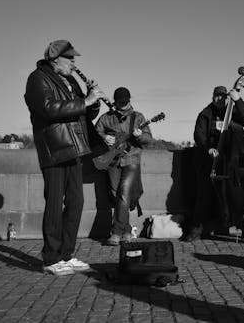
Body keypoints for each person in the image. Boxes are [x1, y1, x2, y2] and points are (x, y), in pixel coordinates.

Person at [24, 39, 105, 275]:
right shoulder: (37, 79)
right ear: (54, 58)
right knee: (54, 203)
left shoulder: (69, 80)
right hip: (55, 148)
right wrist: (85, 101)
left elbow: (85, 112)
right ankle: (51, 258)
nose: (73, 62)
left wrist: (92, 99)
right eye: (69, 57)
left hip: (74, 147)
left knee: (76, 202)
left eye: (74, 58)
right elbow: (48, 108)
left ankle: (67, 255)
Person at [183, 85, 244, 242]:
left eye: (223, 96)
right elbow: (198, 135)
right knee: (204, 194)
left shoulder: (232, 112)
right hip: (211, 159)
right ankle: (196, 229)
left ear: (227, 98)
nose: (220, 99)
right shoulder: (205, 114)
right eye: (217, 96)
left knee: (238, 195)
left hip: (231, 160)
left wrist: (238, 100)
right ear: (213, 97)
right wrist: (208, 148)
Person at [95, 87, 152, 246]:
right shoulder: (106, 118)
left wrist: (141, 137)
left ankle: (116, 232)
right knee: (116, 195)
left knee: (124, 193)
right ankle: (127, 230)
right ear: (115, 102)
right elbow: (94, 135)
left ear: (129, 100)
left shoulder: (138, 117)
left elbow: (149, 139)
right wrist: (104, 137)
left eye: (126, 102)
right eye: (121, 103)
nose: (124, 105)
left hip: (132, 159)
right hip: (113, 161)